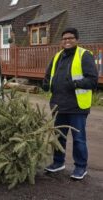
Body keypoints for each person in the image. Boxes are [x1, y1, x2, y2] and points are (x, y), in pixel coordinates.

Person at [42, 28, 98, 180]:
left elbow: (93, 80)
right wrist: (46, 84)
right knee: (58, 138)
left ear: (77, 39)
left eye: (70, 38)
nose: (67, 41)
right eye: (64, 39)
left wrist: (75, 84)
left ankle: (80, 167)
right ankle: (58, 162)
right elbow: (48, 76)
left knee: (79, 139)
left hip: (77, 107)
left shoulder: (84, 55)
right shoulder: (57, 56)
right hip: (58, 105)